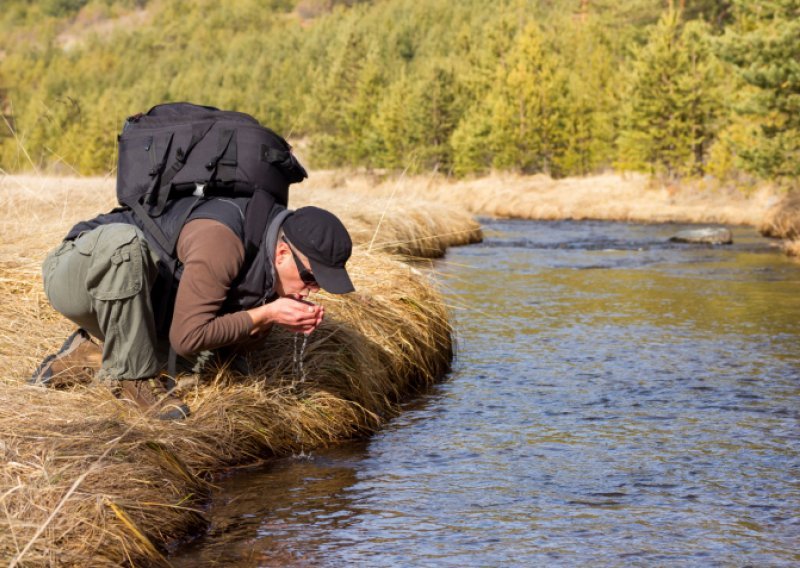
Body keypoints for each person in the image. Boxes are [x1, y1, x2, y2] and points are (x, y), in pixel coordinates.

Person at [30, 196, 355, 420]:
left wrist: (262, 323)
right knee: (124, 243)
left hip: (141, 298)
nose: (313, 289)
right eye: (310, 277)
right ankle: (134, 380)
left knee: (218, 368)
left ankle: (89, 354)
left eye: (320, 284)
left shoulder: (267, 254)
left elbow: (219, 331)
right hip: (81, 273)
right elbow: (187, 338)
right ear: (283, 253)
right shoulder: (222, 241)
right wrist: (266, 313)